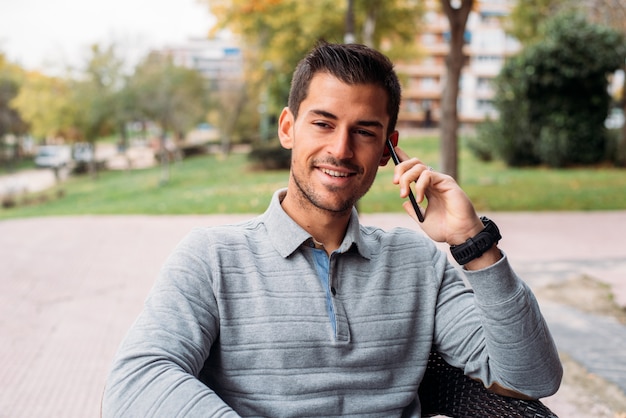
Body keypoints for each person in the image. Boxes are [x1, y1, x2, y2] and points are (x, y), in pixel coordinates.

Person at [102, 42, 562, 417]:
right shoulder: (212, 256)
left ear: (388, 149)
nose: (340, 150)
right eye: (323, 123)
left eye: (364, 131)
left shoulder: (418, 262)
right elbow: (136, 381)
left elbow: (531, 379)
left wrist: (474, 242)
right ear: (288, 128)